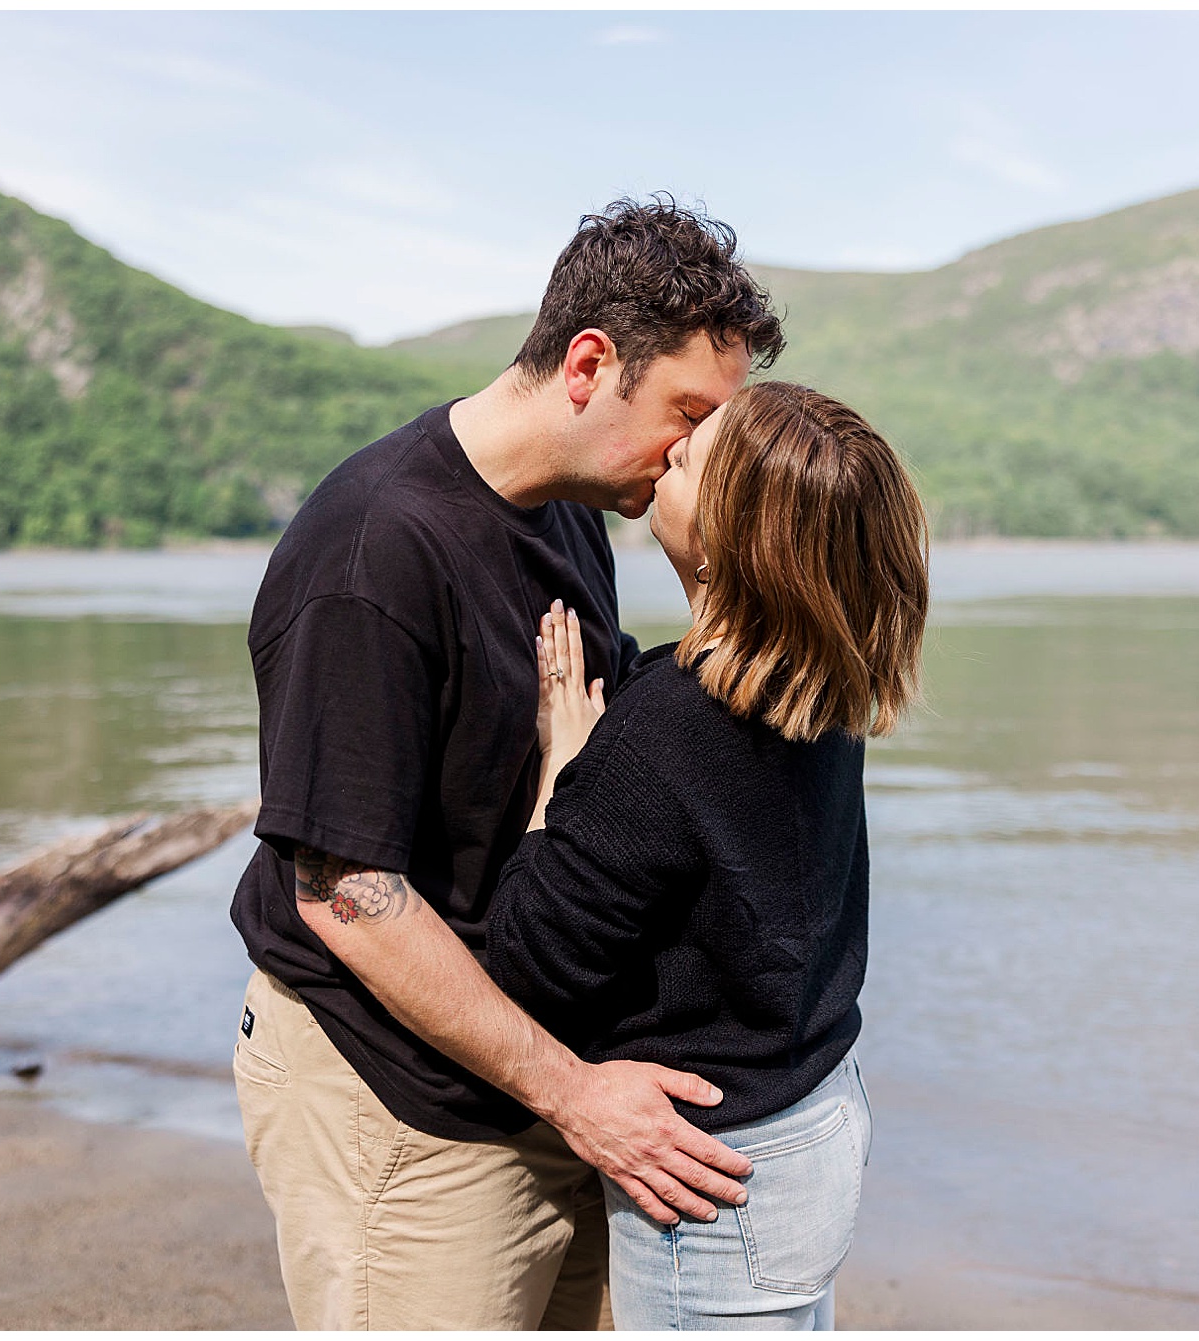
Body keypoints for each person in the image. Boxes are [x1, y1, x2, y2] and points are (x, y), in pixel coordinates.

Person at [228, 197, 786, 1330]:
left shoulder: (573, 506)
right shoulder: (372, 555)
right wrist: (573, 1097)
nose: (696, 457)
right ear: (590, 364)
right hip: (401, 1098)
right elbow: (345, 897)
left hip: (538, 1076)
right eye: (687, 414)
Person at [486, 381, 931, 1329]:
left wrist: (565, 765)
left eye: (701, 452)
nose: (676, 445)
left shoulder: (663, 733)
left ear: (739, 537)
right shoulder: (820, 676)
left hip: (715, 1178)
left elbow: (527, 957)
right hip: (812, 1117)